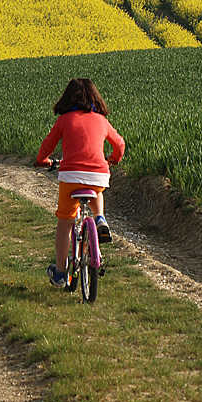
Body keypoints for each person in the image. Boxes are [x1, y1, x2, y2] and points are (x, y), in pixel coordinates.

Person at [36, 77, 125, 288]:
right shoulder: (101, 120)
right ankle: (100, 218)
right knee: (97, 190)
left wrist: (43, 161)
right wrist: (112, 160)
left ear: (67, 98)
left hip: (70, 176)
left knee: (65, 222)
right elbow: (120, 145)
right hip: (99, 175)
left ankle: (60, 273)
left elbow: (47, 146)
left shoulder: (64, 120)